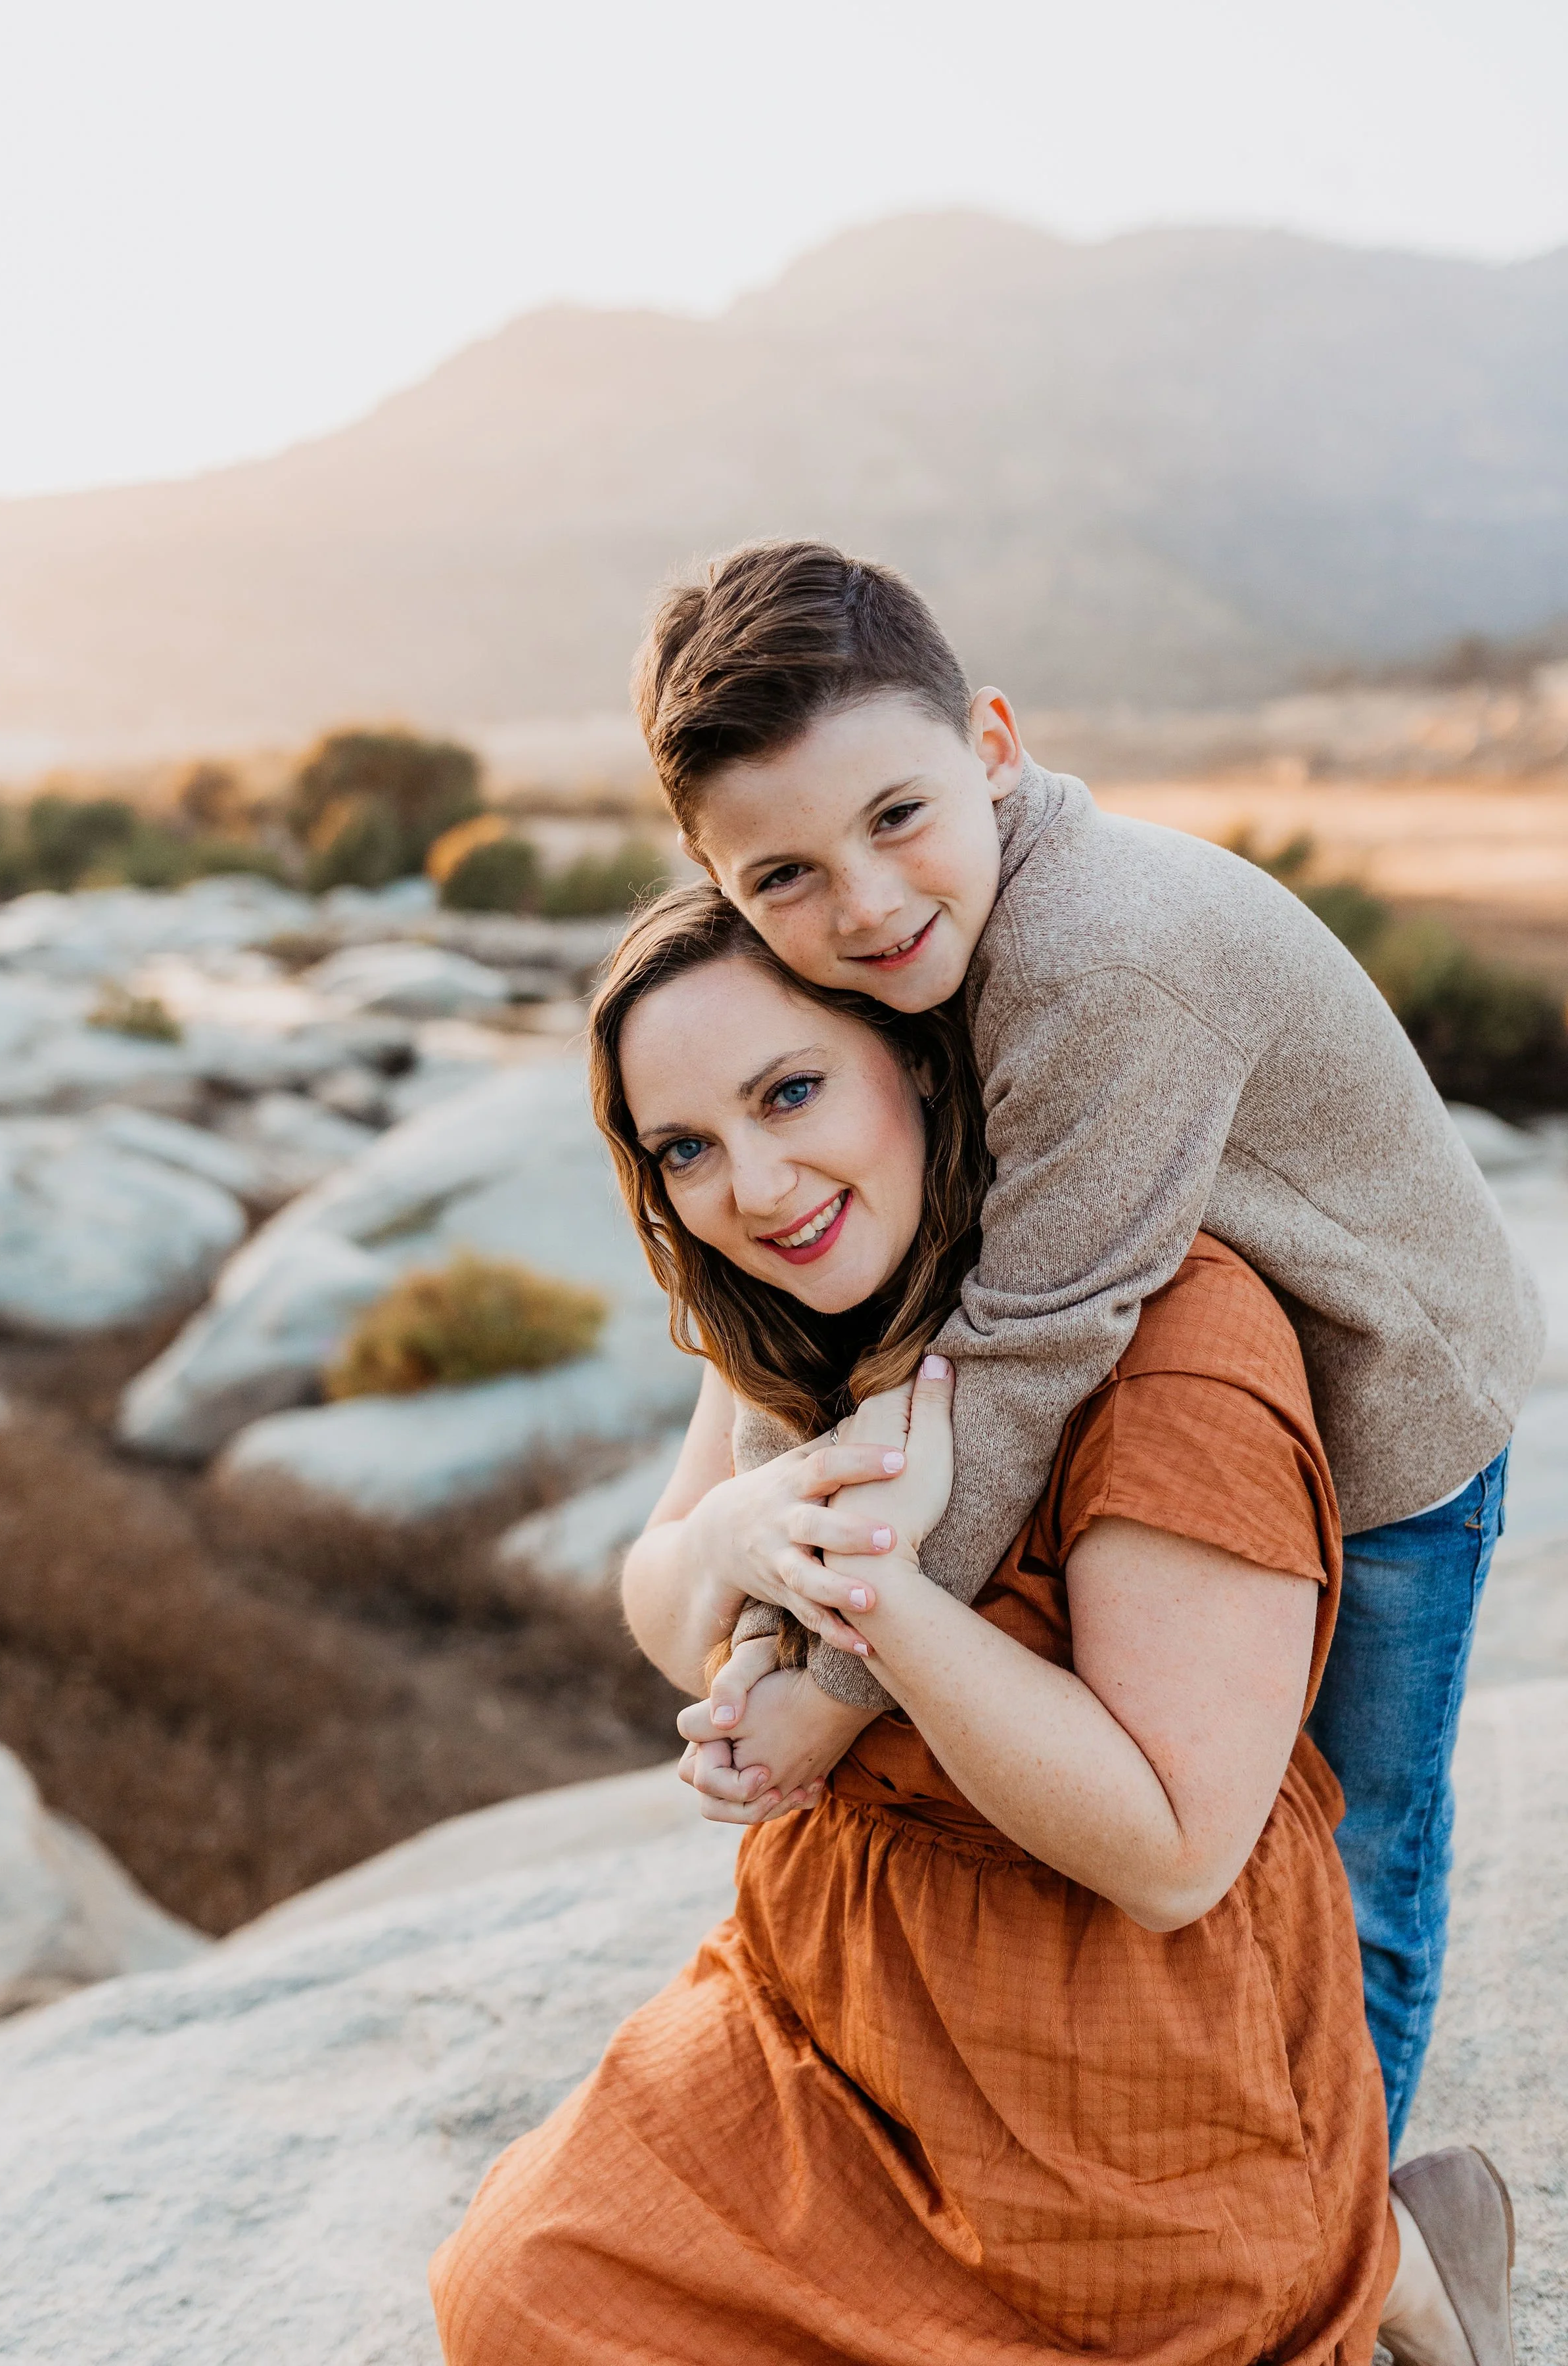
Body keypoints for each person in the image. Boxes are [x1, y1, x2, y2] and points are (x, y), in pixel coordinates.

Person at [429, 890, 1515, 2366]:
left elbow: (1174, 1856)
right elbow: (659, 1590)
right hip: (833, 2020)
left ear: (924, 1062)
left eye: (790, 1091)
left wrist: (875, 1596)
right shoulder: (795, 1294)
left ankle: (1371, 2250)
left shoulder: (1172, 1345)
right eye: (687, 1147)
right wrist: (742, 1550)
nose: (753, 1184)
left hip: (1114, 2088)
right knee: (521, 2301)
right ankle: (1381, 2248)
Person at [628, 540, 1539, 2148]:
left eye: (896, 815)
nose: (865, 901)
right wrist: (752, 1613)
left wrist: (831, 1687)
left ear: (992, 745)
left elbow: (1024, 1348)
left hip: (1389, 1400)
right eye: (785, 876)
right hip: (1196, 1387)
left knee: (1358, 1841)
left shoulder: (1102, 955)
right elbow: (849, 1349)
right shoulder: (900, 943)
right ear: (723, 882)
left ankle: (1353, 2221)